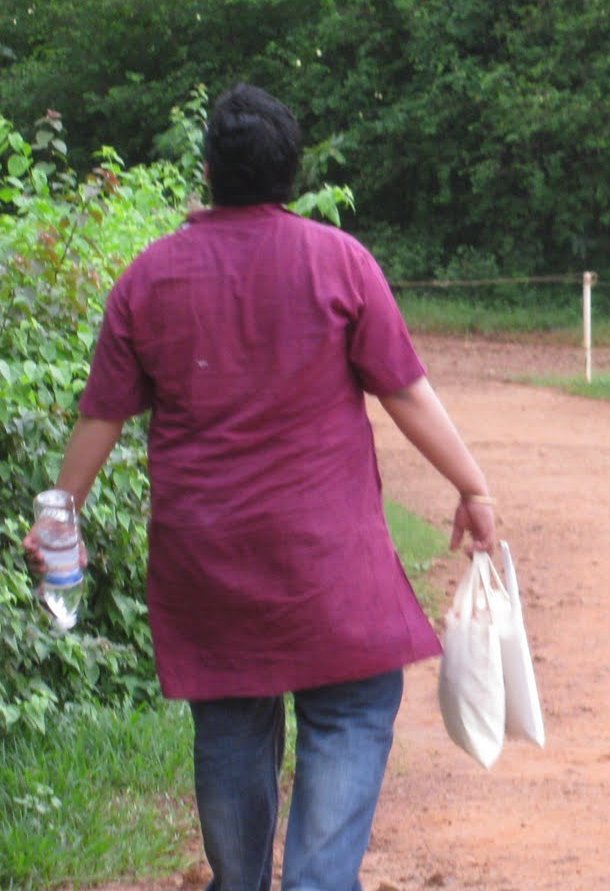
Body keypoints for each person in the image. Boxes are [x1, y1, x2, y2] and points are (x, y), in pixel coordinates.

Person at [24, 83, 498, 891]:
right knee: (351, 710)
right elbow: (406, 390)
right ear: (291, 172)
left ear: (206, 170)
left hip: (210, 567)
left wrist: (60, 513)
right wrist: (473, 487)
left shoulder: (148, 278)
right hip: (330, 568)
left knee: (232, 721)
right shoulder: (339, 262)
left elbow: (101, 416)